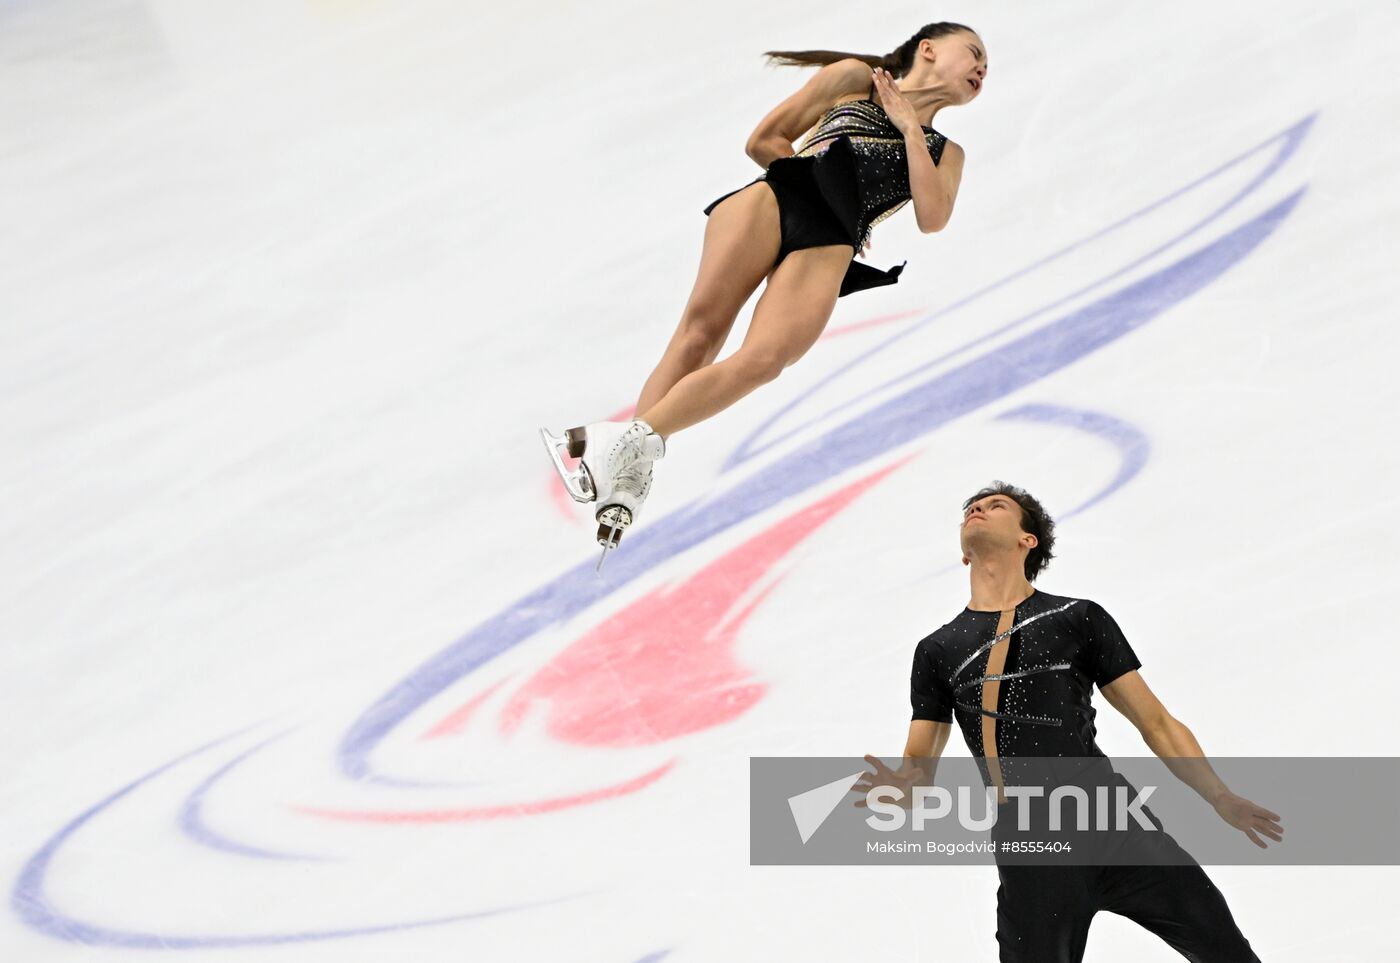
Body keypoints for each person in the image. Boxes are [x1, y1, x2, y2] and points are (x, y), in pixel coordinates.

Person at [541, 22, 982, 569]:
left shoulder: (947, 151)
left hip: (833, 238)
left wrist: (909, 129)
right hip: (780, 197)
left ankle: (611, 443)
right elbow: (764, 140)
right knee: (699, 336)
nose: (983, 67)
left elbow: (932, 216)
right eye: (975, 51)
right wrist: (817, 181)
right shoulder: (852, 79)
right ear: (929, 48)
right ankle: (627, 474)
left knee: (767, 359)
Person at [853, 481, 1281, 962]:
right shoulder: (937, 649)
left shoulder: (1076, 618)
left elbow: (1157, 722)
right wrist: (906, 787)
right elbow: (919, 762)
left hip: (1114, 820)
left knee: (1228, 953)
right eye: (972, 508)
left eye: (996, 506)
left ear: (1027, 539)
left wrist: (1218, 795)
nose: (978, 509)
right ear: (963, 555)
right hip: (1030, 842)